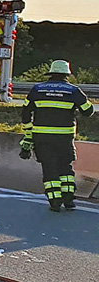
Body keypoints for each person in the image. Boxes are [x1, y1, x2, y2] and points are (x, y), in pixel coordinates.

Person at [20, 60, 94, 211]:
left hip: (42, 137)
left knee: (49, 168)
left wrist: (29, 133)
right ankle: (69, 200)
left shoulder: (37, 89)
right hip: (64, 138)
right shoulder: (73, 90)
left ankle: (55, 202)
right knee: (65, 167)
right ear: (67, 75)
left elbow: (25, 112)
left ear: (51, 73)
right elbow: (88, 111)